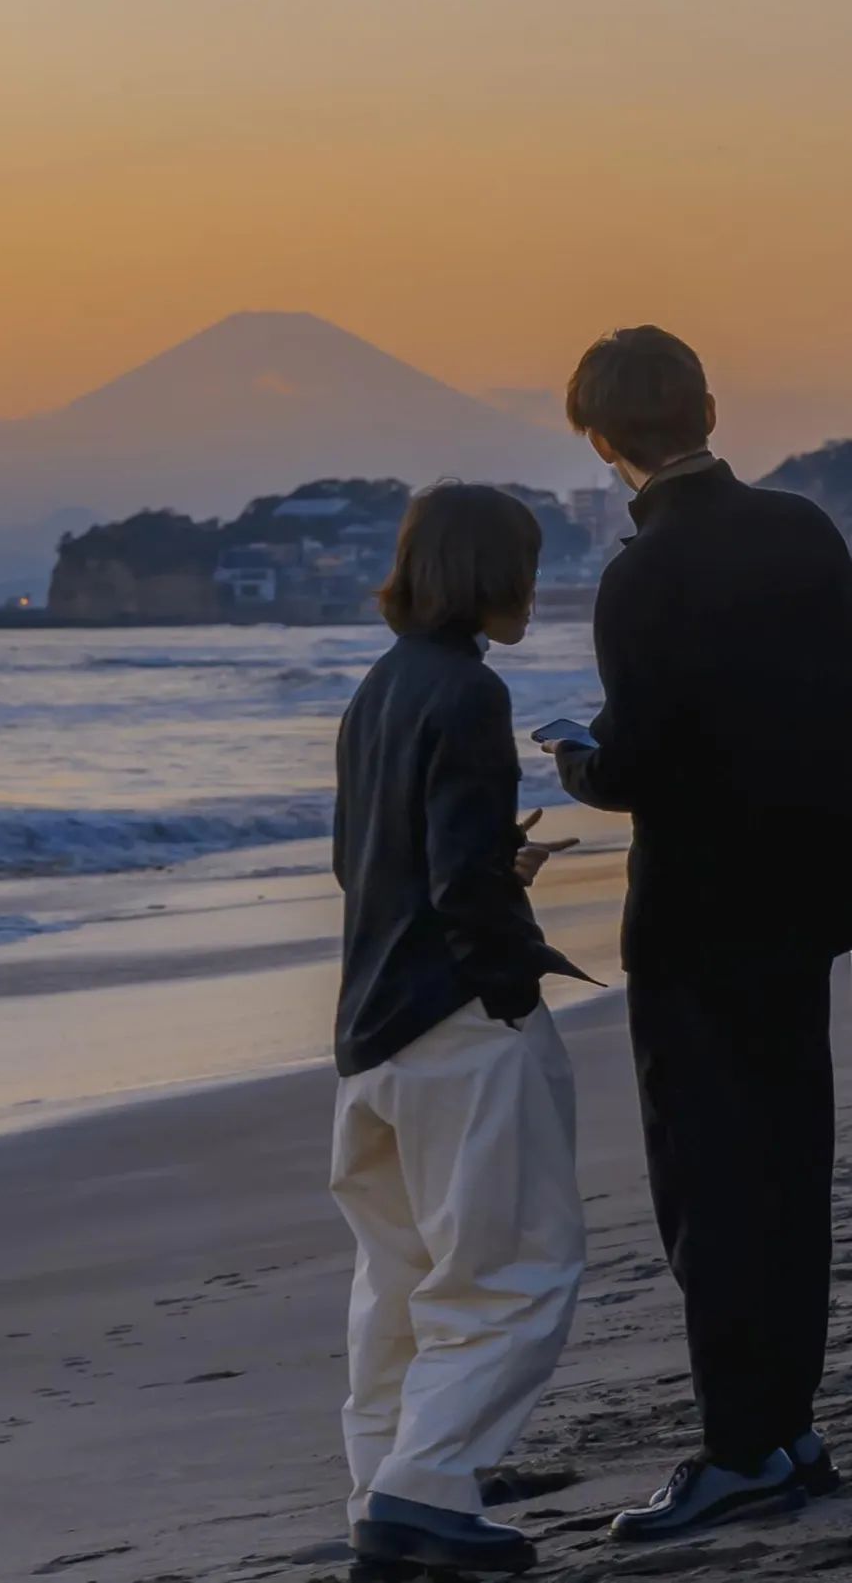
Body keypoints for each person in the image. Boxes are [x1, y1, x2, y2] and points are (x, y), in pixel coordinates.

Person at [550, 325, 852, 1541]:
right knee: (790, 1163)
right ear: (710, 409)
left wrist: (575, 759)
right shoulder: (805, 534)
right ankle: (790, 1426)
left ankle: (743, 1449)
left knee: (709, 1187)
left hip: (696, 920)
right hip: (809, 901)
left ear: (603, 441)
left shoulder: (643, 575)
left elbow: (640, 764)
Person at [331, 482, 589, 1579]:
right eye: (525, 567)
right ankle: (422, 1493)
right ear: (489, 575)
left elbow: (366, 867)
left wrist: (492, 866)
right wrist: (514, 987)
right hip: (457, 1021)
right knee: (515, 1267)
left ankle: (384, 1480)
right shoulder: (468, 695)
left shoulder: (380, 687)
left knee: (397, 1282)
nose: (534, 589)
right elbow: (457, 887)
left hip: (369, 1031)